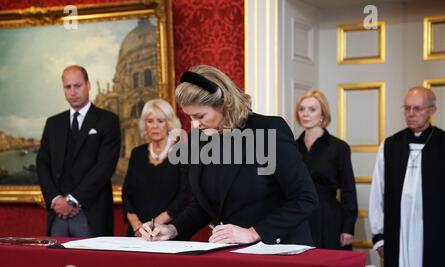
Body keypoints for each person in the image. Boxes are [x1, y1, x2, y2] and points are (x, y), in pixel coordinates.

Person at [139, 65, 319, 245]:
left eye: (200, 116)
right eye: (190, 117)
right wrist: (173, 229)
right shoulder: (196, 140)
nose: (195, 124)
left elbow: (305, 198)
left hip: (280, 252)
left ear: (223, 103)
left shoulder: (268, 129)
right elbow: (203, 206)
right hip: (230, 254)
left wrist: (253, 233)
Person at [369, 86, 445, 267]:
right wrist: (379, 236)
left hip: (434, 235)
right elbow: (378, 191)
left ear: (432, 110)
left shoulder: (441, 144)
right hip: (397, 233)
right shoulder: (391, 145)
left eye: (417, 109)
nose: (411, 114)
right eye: (407, 108)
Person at [37, 65, 121, 237]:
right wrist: (56, 200)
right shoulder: (53, 123)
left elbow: (105, 166)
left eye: (77, 86)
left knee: (92, 263)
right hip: (57, 213)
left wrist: (73, 200)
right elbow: (42, 164)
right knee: (55, 263)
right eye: (68, 87)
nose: (73, 92)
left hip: (91, 212)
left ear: (88, 85)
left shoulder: (108, 120)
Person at [295, 89, 358, 250]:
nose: (305, 114)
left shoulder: (338, 147)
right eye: (302, 109)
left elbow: (348, 190)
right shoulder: (292, 147)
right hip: (299, 217)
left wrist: (348, 227)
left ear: (322, 114)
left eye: (312, 109)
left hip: (329, 218)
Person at [122, 99, 190, 237]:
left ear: (169, 123)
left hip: (167, 234)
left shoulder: (182, 153)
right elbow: (127, 194)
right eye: (150, 121)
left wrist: (153, 225)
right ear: (144, 125)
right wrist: (137, 226)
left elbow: (184, 196)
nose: (155, 126)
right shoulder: (137, 153)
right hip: (137, 234)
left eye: (160, 120)